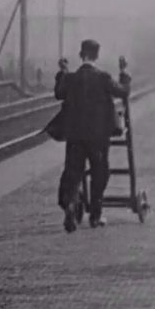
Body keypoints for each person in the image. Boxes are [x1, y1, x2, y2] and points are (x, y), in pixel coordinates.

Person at [55, 39, 131, 233]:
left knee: (73, 174)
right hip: (98, 138)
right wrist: (123, 72)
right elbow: (123, 92)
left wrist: (63, 71)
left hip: (75, 137)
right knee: (100, 173)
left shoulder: (72, 78)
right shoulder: (103, 78)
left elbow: (59, 92)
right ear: (97, 56)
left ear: (81, 55)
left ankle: (71, 205)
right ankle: (95, 216)